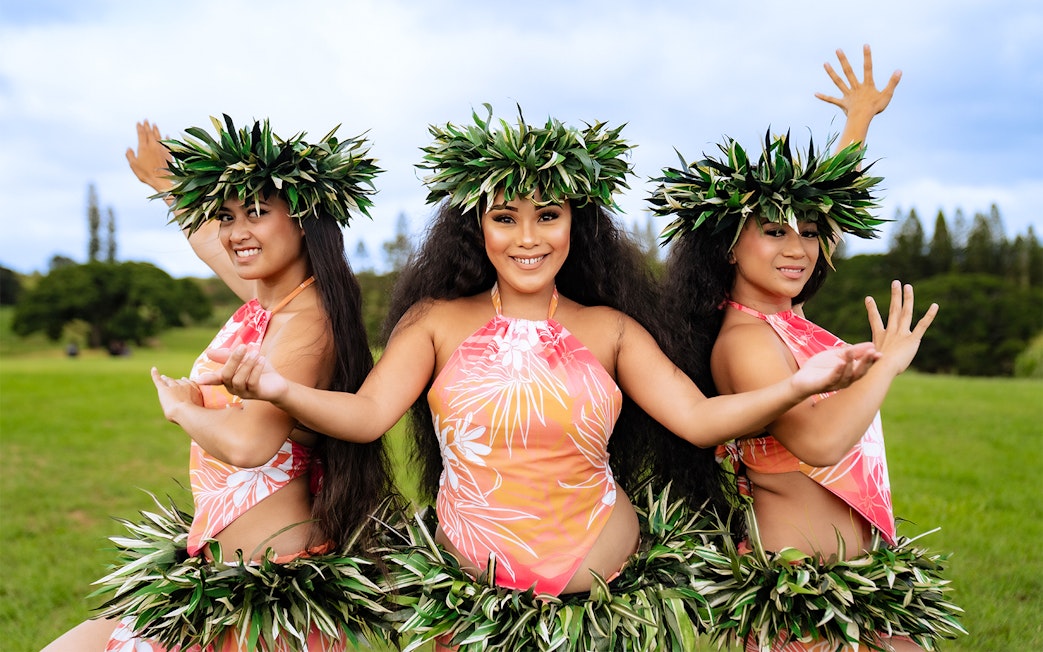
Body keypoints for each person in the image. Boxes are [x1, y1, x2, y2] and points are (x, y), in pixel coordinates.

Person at [202, 105, 882, 649]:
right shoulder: (436, 322)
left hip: (596, 600)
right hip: (471, 603)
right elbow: (367, 414)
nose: (528, 237)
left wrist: (795, 386)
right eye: (505, 218)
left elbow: (700, 420)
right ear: (478, 229)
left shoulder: (611, 329)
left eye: (547, 216)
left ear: (574, 225)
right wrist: (279, 389)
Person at [652, 46, 963, 651]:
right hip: (797, 596)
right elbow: (818, 441)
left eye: (811, 233)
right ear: (728, 246)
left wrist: (858, 123)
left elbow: (821, 202)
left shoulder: (792, 323)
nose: (798, 248)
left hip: (861, 584)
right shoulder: (743, 342)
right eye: (772, 231)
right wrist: (888, 365)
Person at [43, 116, 393, 651]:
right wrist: (167, 184)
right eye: (227, 214)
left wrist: (181, 408)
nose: (235, 231)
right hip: (222, 585)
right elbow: (213, 245)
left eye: (255, 212)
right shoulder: (272, 303)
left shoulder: (308, 322)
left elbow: (250, 442)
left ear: (302, 220)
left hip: (271, 600)